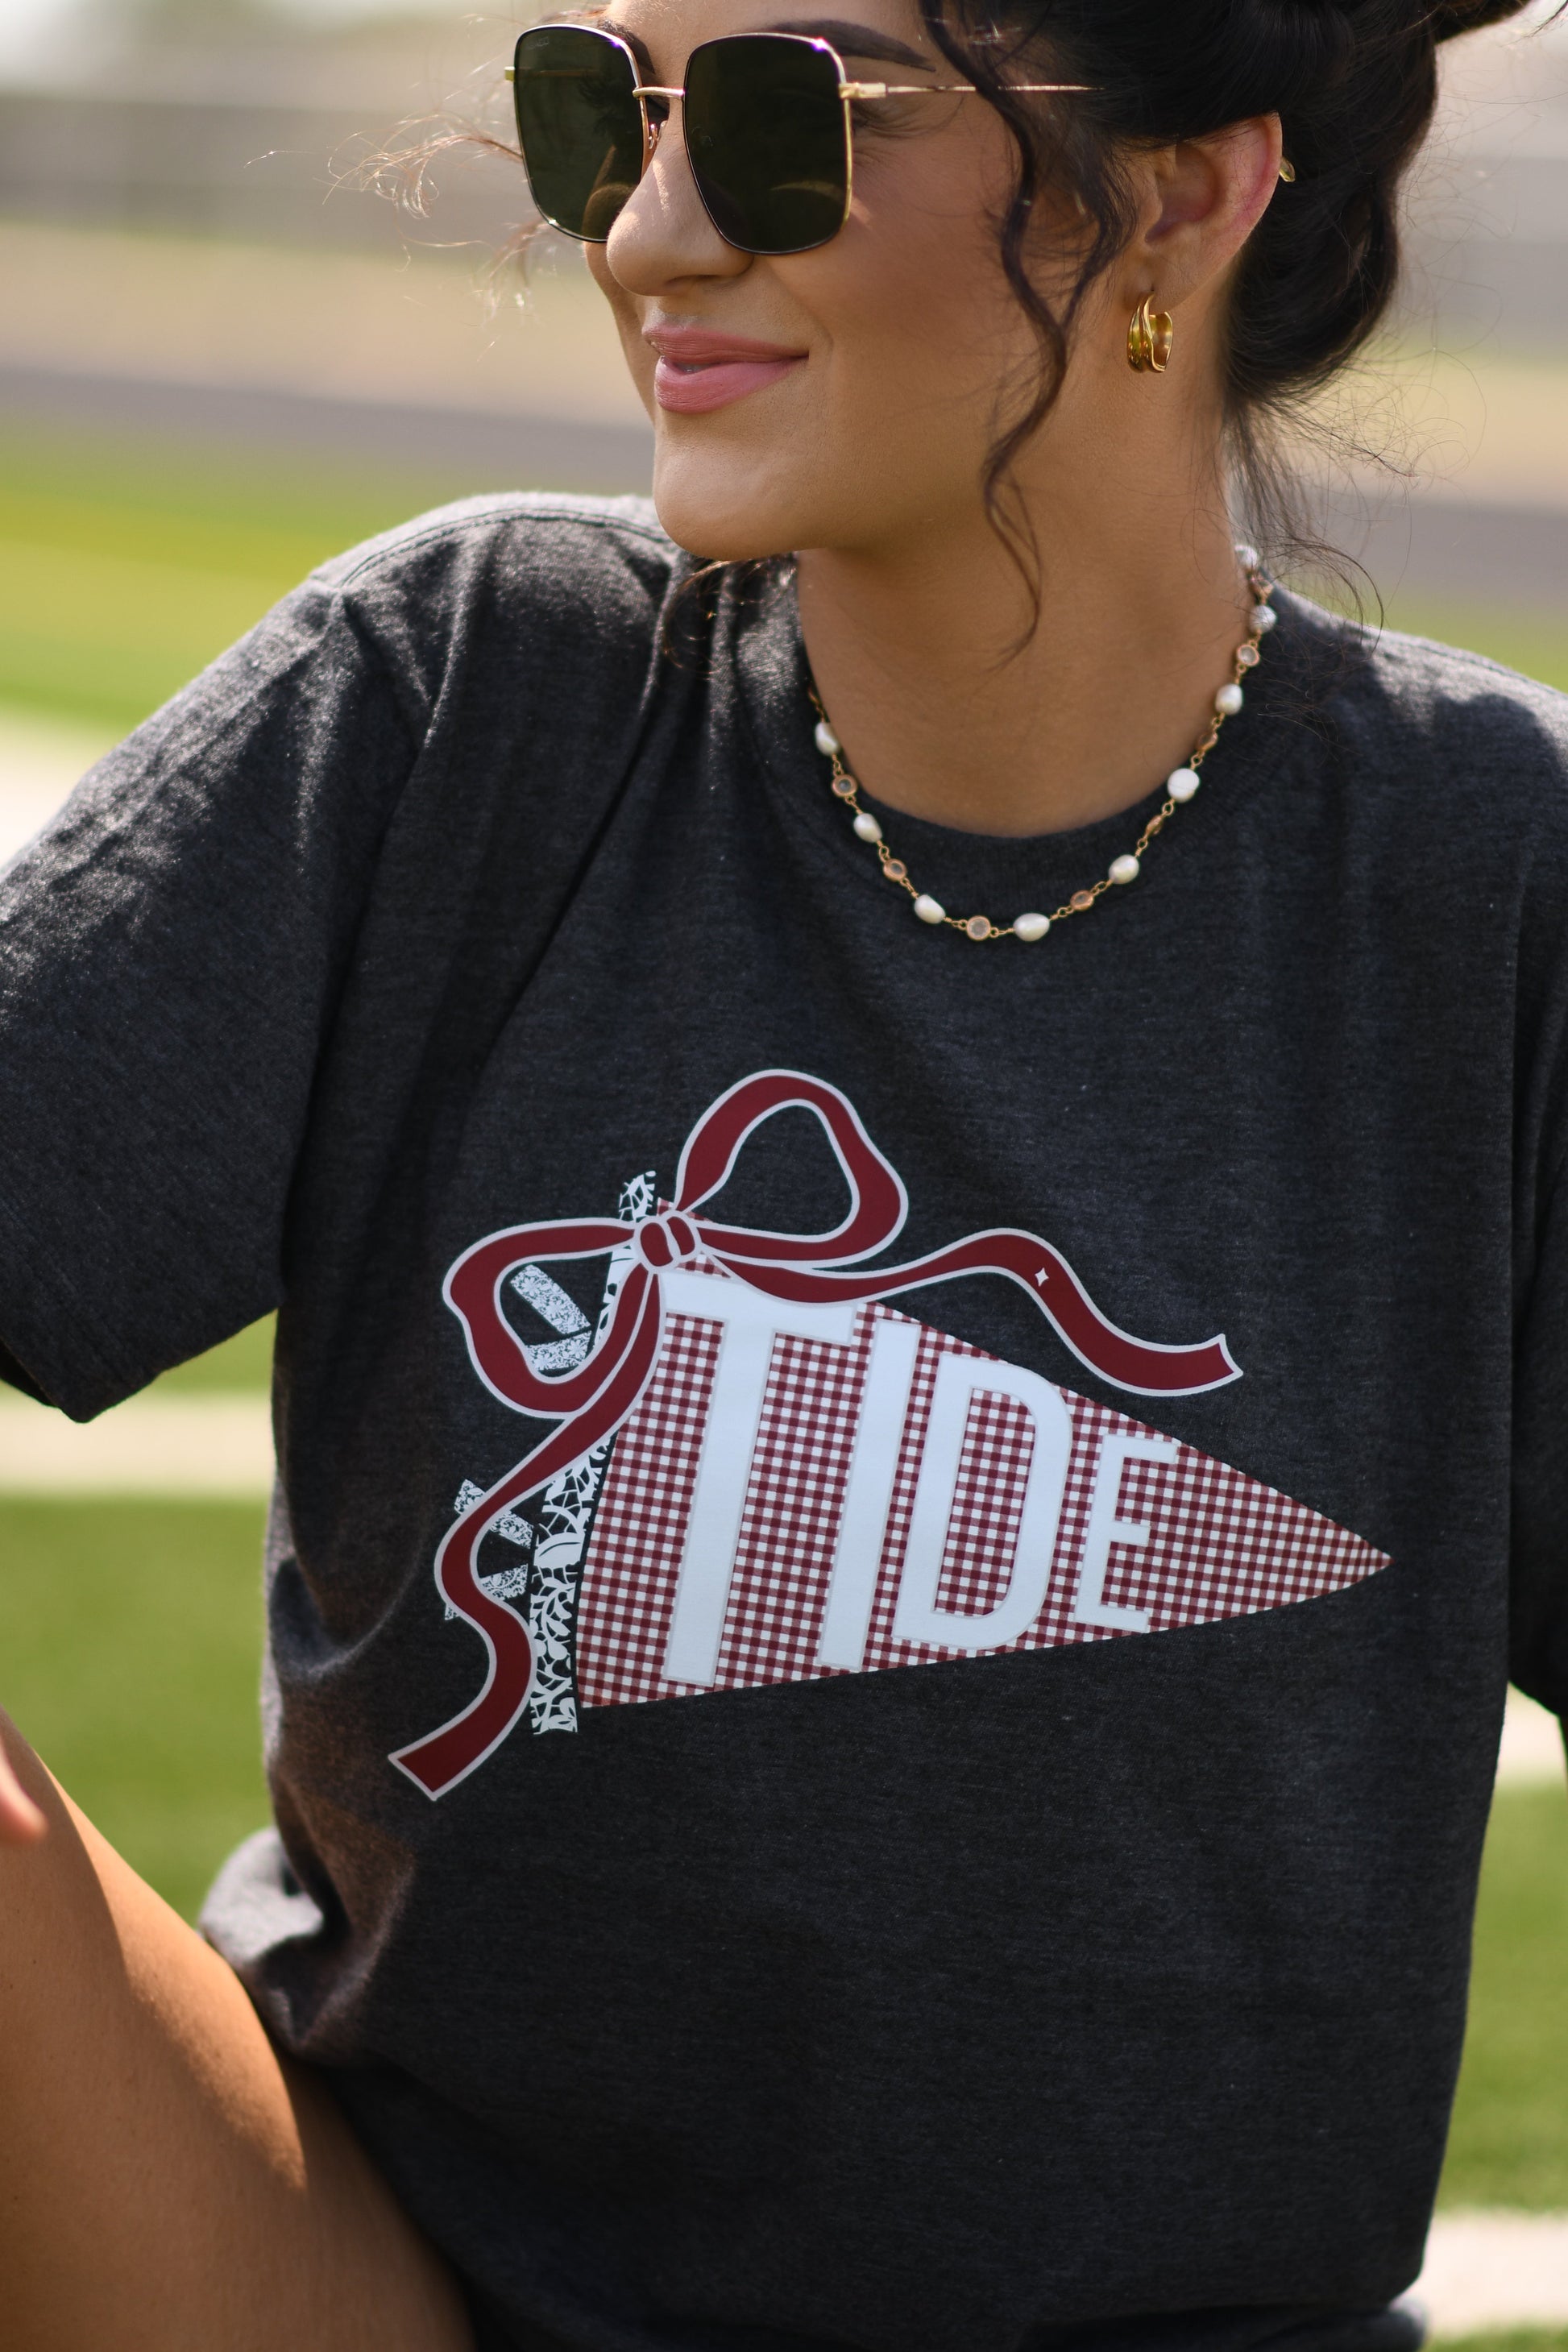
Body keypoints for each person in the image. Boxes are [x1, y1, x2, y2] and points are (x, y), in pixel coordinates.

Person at [2, 0, 1564, 2343]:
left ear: (1175, 193)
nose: (645, 234)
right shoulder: (462, 699)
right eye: (598, 107)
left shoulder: (1487, 882)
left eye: (781, 115)